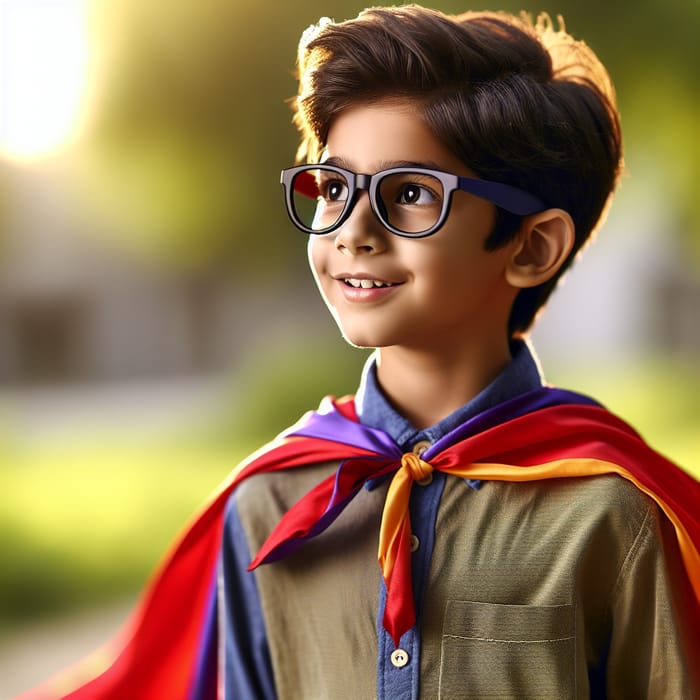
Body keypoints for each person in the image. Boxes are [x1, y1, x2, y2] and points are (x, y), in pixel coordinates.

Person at [19, 5, 699, 700]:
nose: (354, 231)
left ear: (531, 247)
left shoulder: (612, 512)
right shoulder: (267, 507)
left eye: (409, 194)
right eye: (335, 187)